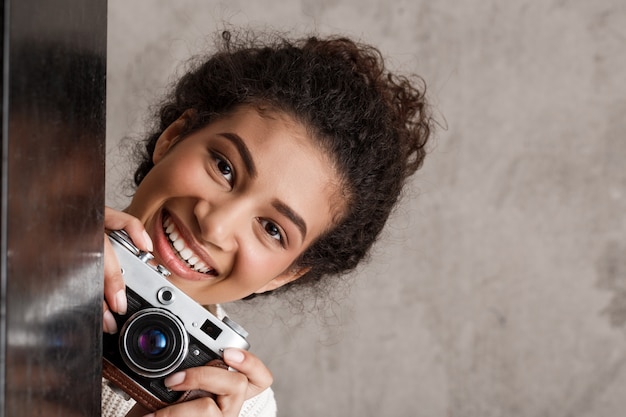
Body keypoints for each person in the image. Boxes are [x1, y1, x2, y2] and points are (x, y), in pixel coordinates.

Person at [102, 30, 434, 417]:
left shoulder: (238, 408)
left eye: (272, 229)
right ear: (173, 138)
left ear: (287, 273)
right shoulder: (26, 238)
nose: (216, 227)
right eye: (224, 168)